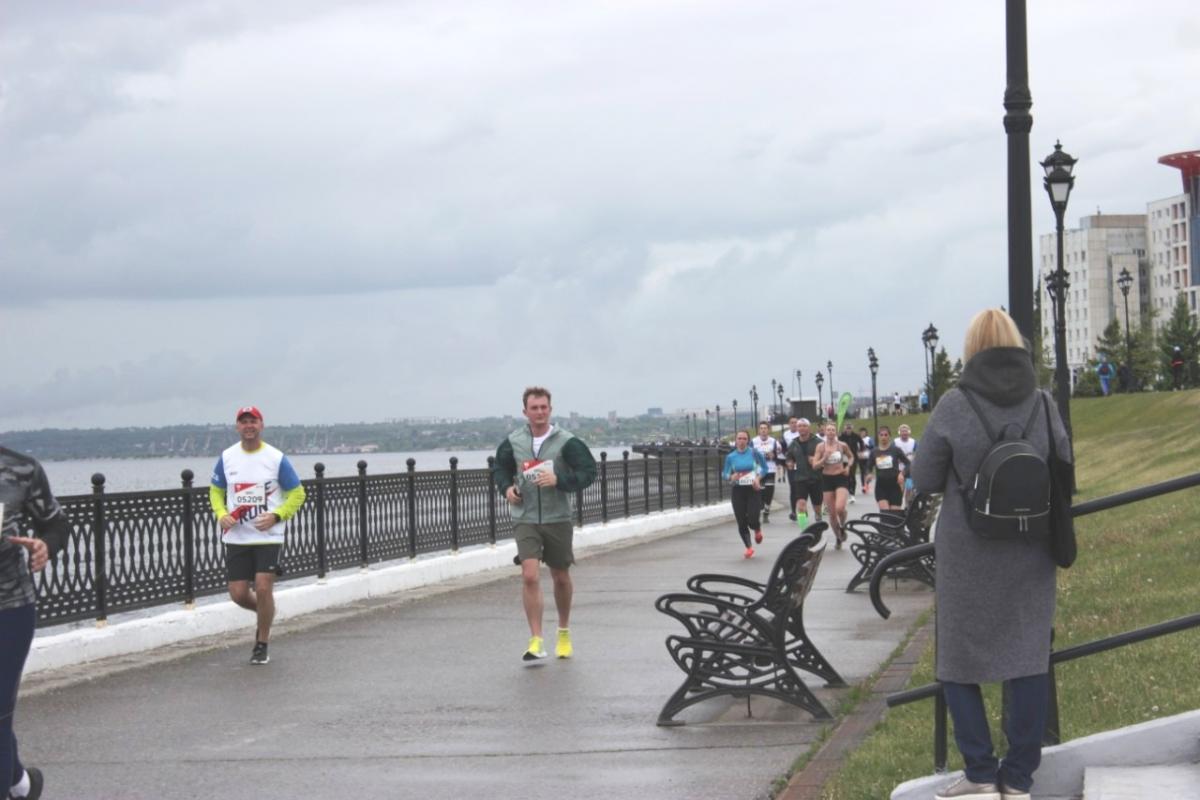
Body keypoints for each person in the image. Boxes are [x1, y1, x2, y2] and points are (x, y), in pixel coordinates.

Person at [910, 309, 1071, 800]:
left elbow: (925, 475)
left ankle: (980, 772)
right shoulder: (1043, 403)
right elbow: (1063, 463)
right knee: (1027, 657)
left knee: (959, 659)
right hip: (1030, 545)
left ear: (972, 348)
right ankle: (1018, 778)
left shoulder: (955, 404)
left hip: (969, 551)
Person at [491, 387, 597, 664]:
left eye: (543, 407)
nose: (539, 412)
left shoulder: (567, 442)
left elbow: (588, 472)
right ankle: (536, 640)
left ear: (550, 409)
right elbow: (499, 469)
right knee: (529, 575)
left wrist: (559, 480)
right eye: (534, 408)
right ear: (525, 411)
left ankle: (563, 631)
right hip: (525, 517)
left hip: (557, 518)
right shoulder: (514, 442)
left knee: (560, 576)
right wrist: (506, 489)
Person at [210, 406, 307, 666]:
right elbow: (216, 491)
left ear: (261, 425)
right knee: (239, 594)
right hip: (237, 536)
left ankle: (261, 643)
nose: (248, 426)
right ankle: (266, 613)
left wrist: (277, 516)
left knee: (263, 587)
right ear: (237, 427)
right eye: (243, 422)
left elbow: (298, 494)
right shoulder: (227, 457)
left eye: (253, 421)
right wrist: (221, 514)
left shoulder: (275, 458)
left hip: (268, 536)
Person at [1, 448, 67, 800]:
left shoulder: (20, 468)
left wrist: (44, 546)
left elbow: (55, 524)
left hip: (8, 609)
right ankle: (21, 785)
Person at [721, 430, 767, 558]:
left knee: (752, 518)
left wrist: (758, 479)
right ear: (736, 440)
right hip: (738, 490)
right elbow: (724, 473)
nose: (741, 441)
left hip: (753, 489)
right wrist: (731, 477)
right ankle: (749, 547)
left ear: (748, 440)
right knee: (741, 520)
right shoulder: (731, 457)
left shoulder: (754, 453)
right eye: (739, 438)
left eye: (744, 439)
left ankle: (757, 529)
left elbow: (764, 468)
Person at [812, 422, 854, 547]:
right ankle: (838, 537)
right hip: (827, 479)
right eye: (828, 430)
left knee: (840, 508)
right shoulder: (820, 447)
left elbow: (851, 457)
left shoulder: (842, 445)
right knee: (832, 513)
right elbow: (815, 466)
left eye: (832, 430)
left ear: (836, 432)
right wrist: (824, 459)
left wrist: (848, 467)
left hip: (841, 477)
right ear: (824, 432)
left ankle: (842, 524)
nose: (830, 432)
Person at [785, 418, 823, 528]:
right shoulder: (794, 443)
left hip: (816, 478)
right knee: (801, 506)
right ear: (797, 428)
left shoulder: (818, 442)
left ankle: (818, 517)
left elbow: (826, 459)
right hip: (800, 478)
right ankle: (803, 529)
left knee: (817, 506)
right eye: (799, 426)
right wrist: (790, 463)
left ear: (809, 428)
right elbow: (789, 457)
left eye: (804, 426)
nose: (801, 428)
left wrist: (817, 461)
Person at [870, 426, 909, 512]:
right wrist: (868, 474)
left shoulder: (895, 450)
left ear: (889, 436)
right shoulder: (874, 452)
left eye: (886, 435)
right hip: (881, 487)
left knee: (894, 516)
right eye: (881, 435)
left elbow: (908, 464)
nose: (883, 437)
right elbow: (868, 466)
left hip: (895, 486)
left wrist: (902, 474)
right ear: (878, 436)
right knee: (885, 514)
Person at [751, 421, 783, 525]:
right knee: (760, 492)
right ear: (759, 430)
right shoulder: (754, 441)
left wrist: (773, 455)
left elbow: (778, 453)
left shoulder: (773, 441)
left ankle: (766, 513)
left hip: (770, 469)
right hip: (758, 471)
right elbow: (749, 455)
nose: (763, 430)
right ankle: (761, 507)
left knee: (769, 492)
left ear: (768, 430)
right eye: (761, 428)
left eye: (765, 428)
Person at [839, 422, 864, 504]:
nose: (848, 430)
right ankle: (846, 490)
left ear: (852, 428)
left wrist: (860, 451)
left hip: (853, 457)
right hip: (843, 458)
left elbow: (861, 443)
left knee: (852, 475)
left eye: (850, 428)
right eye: (847, 428)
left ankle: (852, 493)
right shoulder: (841, 436)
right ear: (845, 429)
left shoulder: (855, 435)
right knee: (845, 475)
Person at [895, 424, 918, 508]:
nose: (904, 433)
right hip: (899, 470)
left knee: (909, 489)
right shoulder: (896, 442)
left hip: (910, 471)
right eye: (902, 431)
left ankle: (907, 507)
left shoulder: (913, 442)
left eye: (906, 431)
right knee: (900, 489)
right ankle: (898, 506)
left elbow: (918, 453)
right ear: (899, 432)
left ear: (909, 432)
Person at [856, 426, 875, 494]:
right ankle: (863, 486)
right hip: (860, 457)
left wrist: (866, 446)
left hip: (868, 457)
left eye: (863, 432)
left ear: (866, 433)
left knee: (867, 471)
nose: (862, 434)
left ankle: (867, 483)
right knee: (862, 472)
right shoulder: (857, 439)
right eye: (861, 432)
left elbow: (873, 446)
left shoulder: (869, 439)